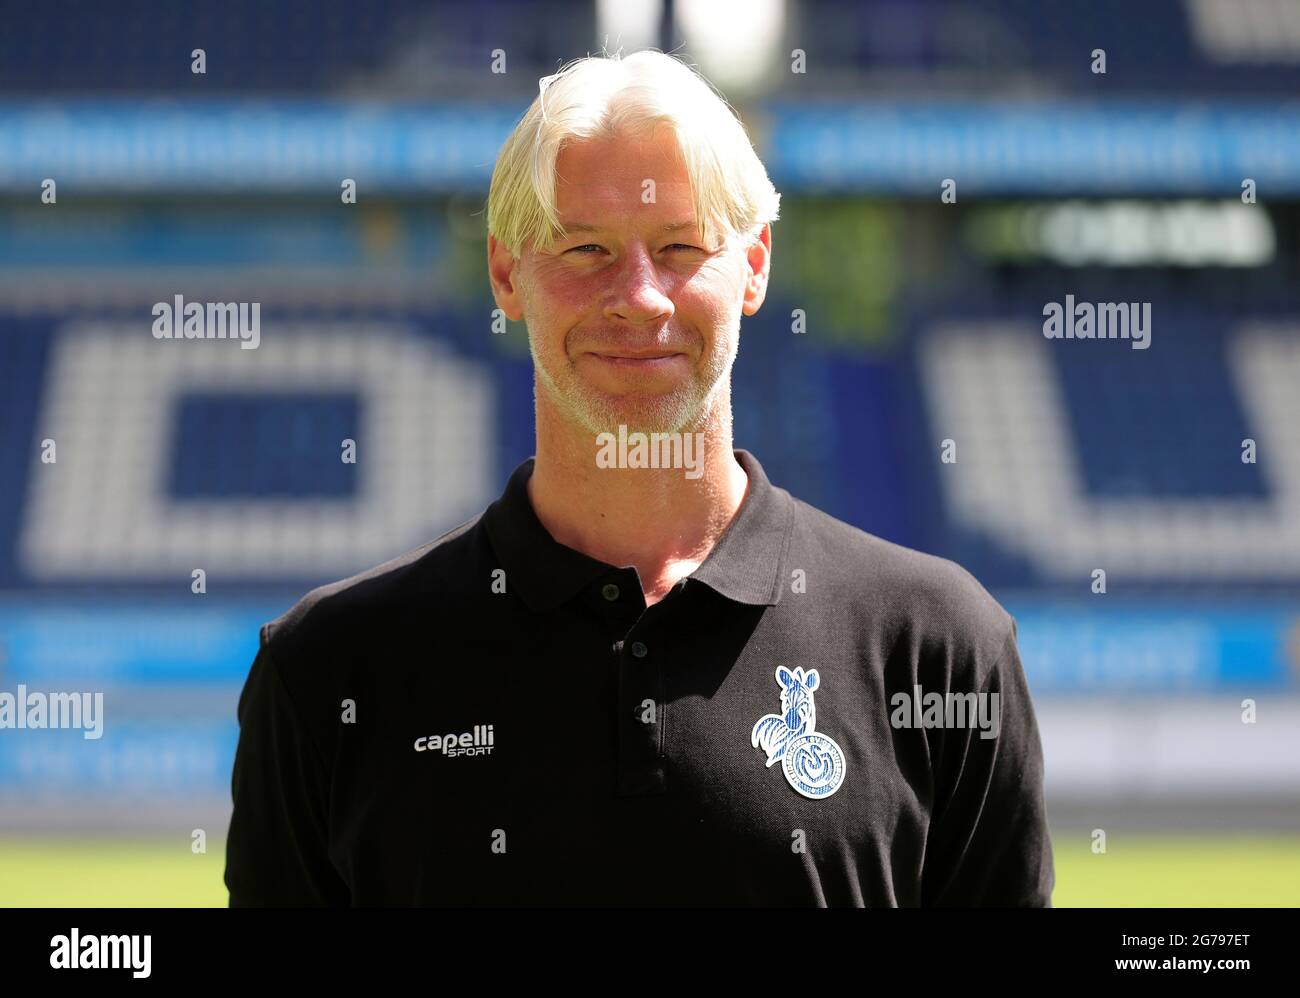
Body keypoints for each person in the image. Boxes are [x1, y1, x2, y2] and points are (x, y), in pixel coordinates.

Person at [224, 49, 1054, 906]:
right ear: (507, 274)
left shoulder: (940, 650)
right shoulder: (327, 669)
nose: (641, 296)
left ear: (755, 266)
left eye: (681, 245)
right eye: (585, 248)